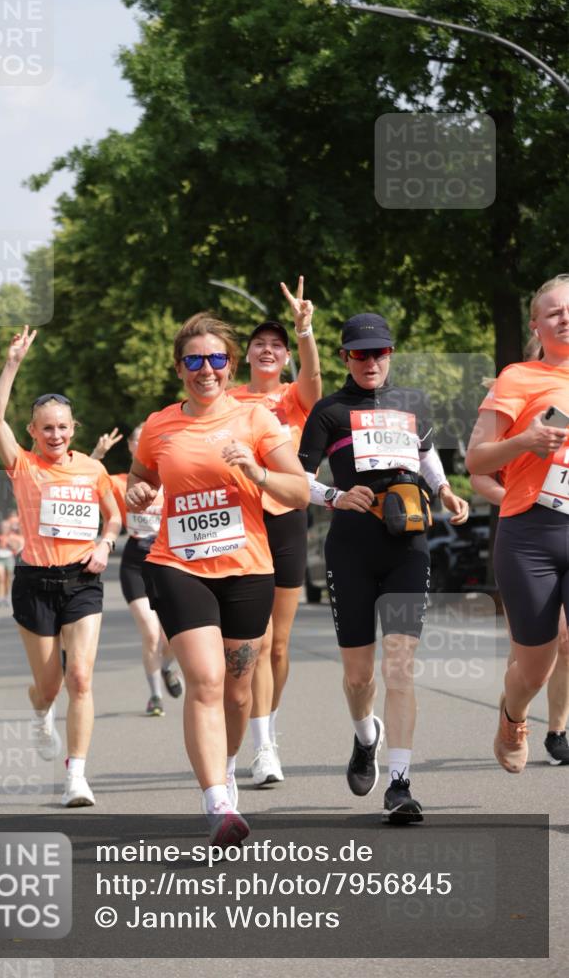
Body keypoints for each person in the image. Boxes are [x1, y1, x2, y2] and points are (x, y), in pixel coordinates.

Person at [126, 312, 309, 845]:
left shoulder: (257, 420)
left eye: (216, 359)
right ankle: (217, 801)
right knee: (205, 681)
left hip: (248, 569)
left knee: (237, 690)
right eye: (194, 360)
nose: (206, 369)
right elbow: (141, 478)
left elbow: (298, 492)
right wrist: (138, 492)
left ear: (230, 364)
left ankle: (227, 767)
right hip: (178, 565)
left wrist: (257, 473)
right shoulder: (161, 424)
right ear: (179, 367)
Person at [298, 313, 469, 823]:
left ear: (391, 353)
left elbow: (427, 454)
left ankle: (400, 784)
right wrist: (332, 494)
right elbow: (295, 479)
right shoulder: (328, 412)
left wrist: (442, 488)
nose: (370, 362)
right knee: (358, 677)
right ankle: (365, 736)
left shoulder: (412, 403)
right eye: (359, 354)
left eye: (379, 353)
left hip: (407, 544)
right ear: (345, 357)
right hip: (350, 547)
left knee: (399, 666)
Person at [0, 325, 121, 807]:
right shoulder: (23, 466)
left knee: (81, 678)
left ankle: (76, 777)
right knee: (50, 685)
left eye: (63, 427)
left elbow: (115, 514)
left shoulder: (92, 469)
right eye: (47, 428)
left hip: (82, 581)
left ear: (74, 428)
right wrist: (13, 363)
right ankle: (41, 713)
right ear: (33, 432)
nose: (56, 435)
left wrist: (106, 542)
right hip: (35, 583)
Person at [466, 274, 569, 773]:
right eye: (554, 313)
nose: (565, 318)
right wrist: (525, 442)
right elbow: (477, 459)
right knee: (535, 663)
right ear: (537, 325)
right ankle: (514, 716)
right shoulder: (518, 378)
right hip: (533, 533)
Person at [230, 276, 322, 786]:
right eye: (260, 345)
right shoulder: (229, 400)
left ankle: (268, 726)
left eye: (277, 346)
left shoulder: (295, 396)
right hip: (243, 523)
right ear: (247, 356)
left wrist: (303, 330)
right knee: (256, 643)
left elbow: (314, 376)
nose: (269, 351)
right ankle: (264, 746)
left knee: (279, 645)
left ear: (285, 359)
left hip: (286, 517)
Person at [92, 425, 183, 717]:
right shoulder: (121, 482)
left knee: (171, 636)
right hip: (135, 562)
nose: (144, 444)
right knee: (150, 632)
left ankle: (168, 666)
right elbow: (86, 479)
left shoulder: (172, 479)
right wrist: (98, 454)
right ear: (132, 448)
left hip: (168, 560)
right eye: (138, 440)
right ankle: (155, 696)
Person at [0, 513, 24, 607]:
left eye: (6, 526)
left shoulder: (13, 536)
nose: (4, 528)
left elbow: (17, 547)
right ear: (0, 527)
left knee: (8, 579)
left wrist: (9, 542)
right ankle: (0, 598)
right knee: (1, 578)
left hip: (9, 558)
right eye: (3, 526)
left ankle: (5, 597)